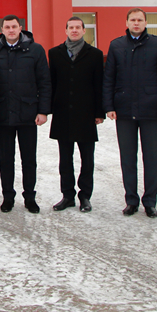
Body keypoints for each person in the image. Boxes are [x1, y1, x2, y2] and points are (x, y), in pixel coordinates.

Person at [103, 7, 157, 218]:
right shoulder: (116, 45)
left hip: (151, 110)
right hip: (124, 110)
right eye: (132, 20)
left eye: (140, 20)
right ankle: (131, 200)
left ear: (145, 23)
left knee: (151, 158)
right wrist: (109, 106)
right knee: (127, 159)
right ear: (126, 23)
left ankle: (150, 201)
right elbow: (109, 78)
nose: (136, 23)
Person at [0, 15, 51, 214]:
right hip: (3, 113)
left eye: (14, 26)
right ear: (2, 30)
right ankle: (8, 197)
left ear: (20, 28)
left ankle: (30, 197)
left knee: (29, 159)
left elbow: (44, 82)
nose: (11, 30)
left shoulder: (35, 50)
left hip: (28, 113)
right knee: (6, 159)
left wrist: (43, 111)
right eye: (7, 27)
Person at [47, 16, 104, 213]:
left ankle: (85, 196)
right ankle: (67, 196)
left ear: (83, 30)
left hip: (86, 114)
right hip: (63, 113)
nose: (74, 30)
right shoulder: (55, 53)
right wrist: (49, 109)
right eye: (71, 27)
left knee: (87, 159)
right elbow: (51, 83)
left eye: (78, 27)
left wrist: (99, 112)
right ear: (66, 30)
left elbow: (99, 85)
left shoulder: (95, 54)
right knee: (65, 159)